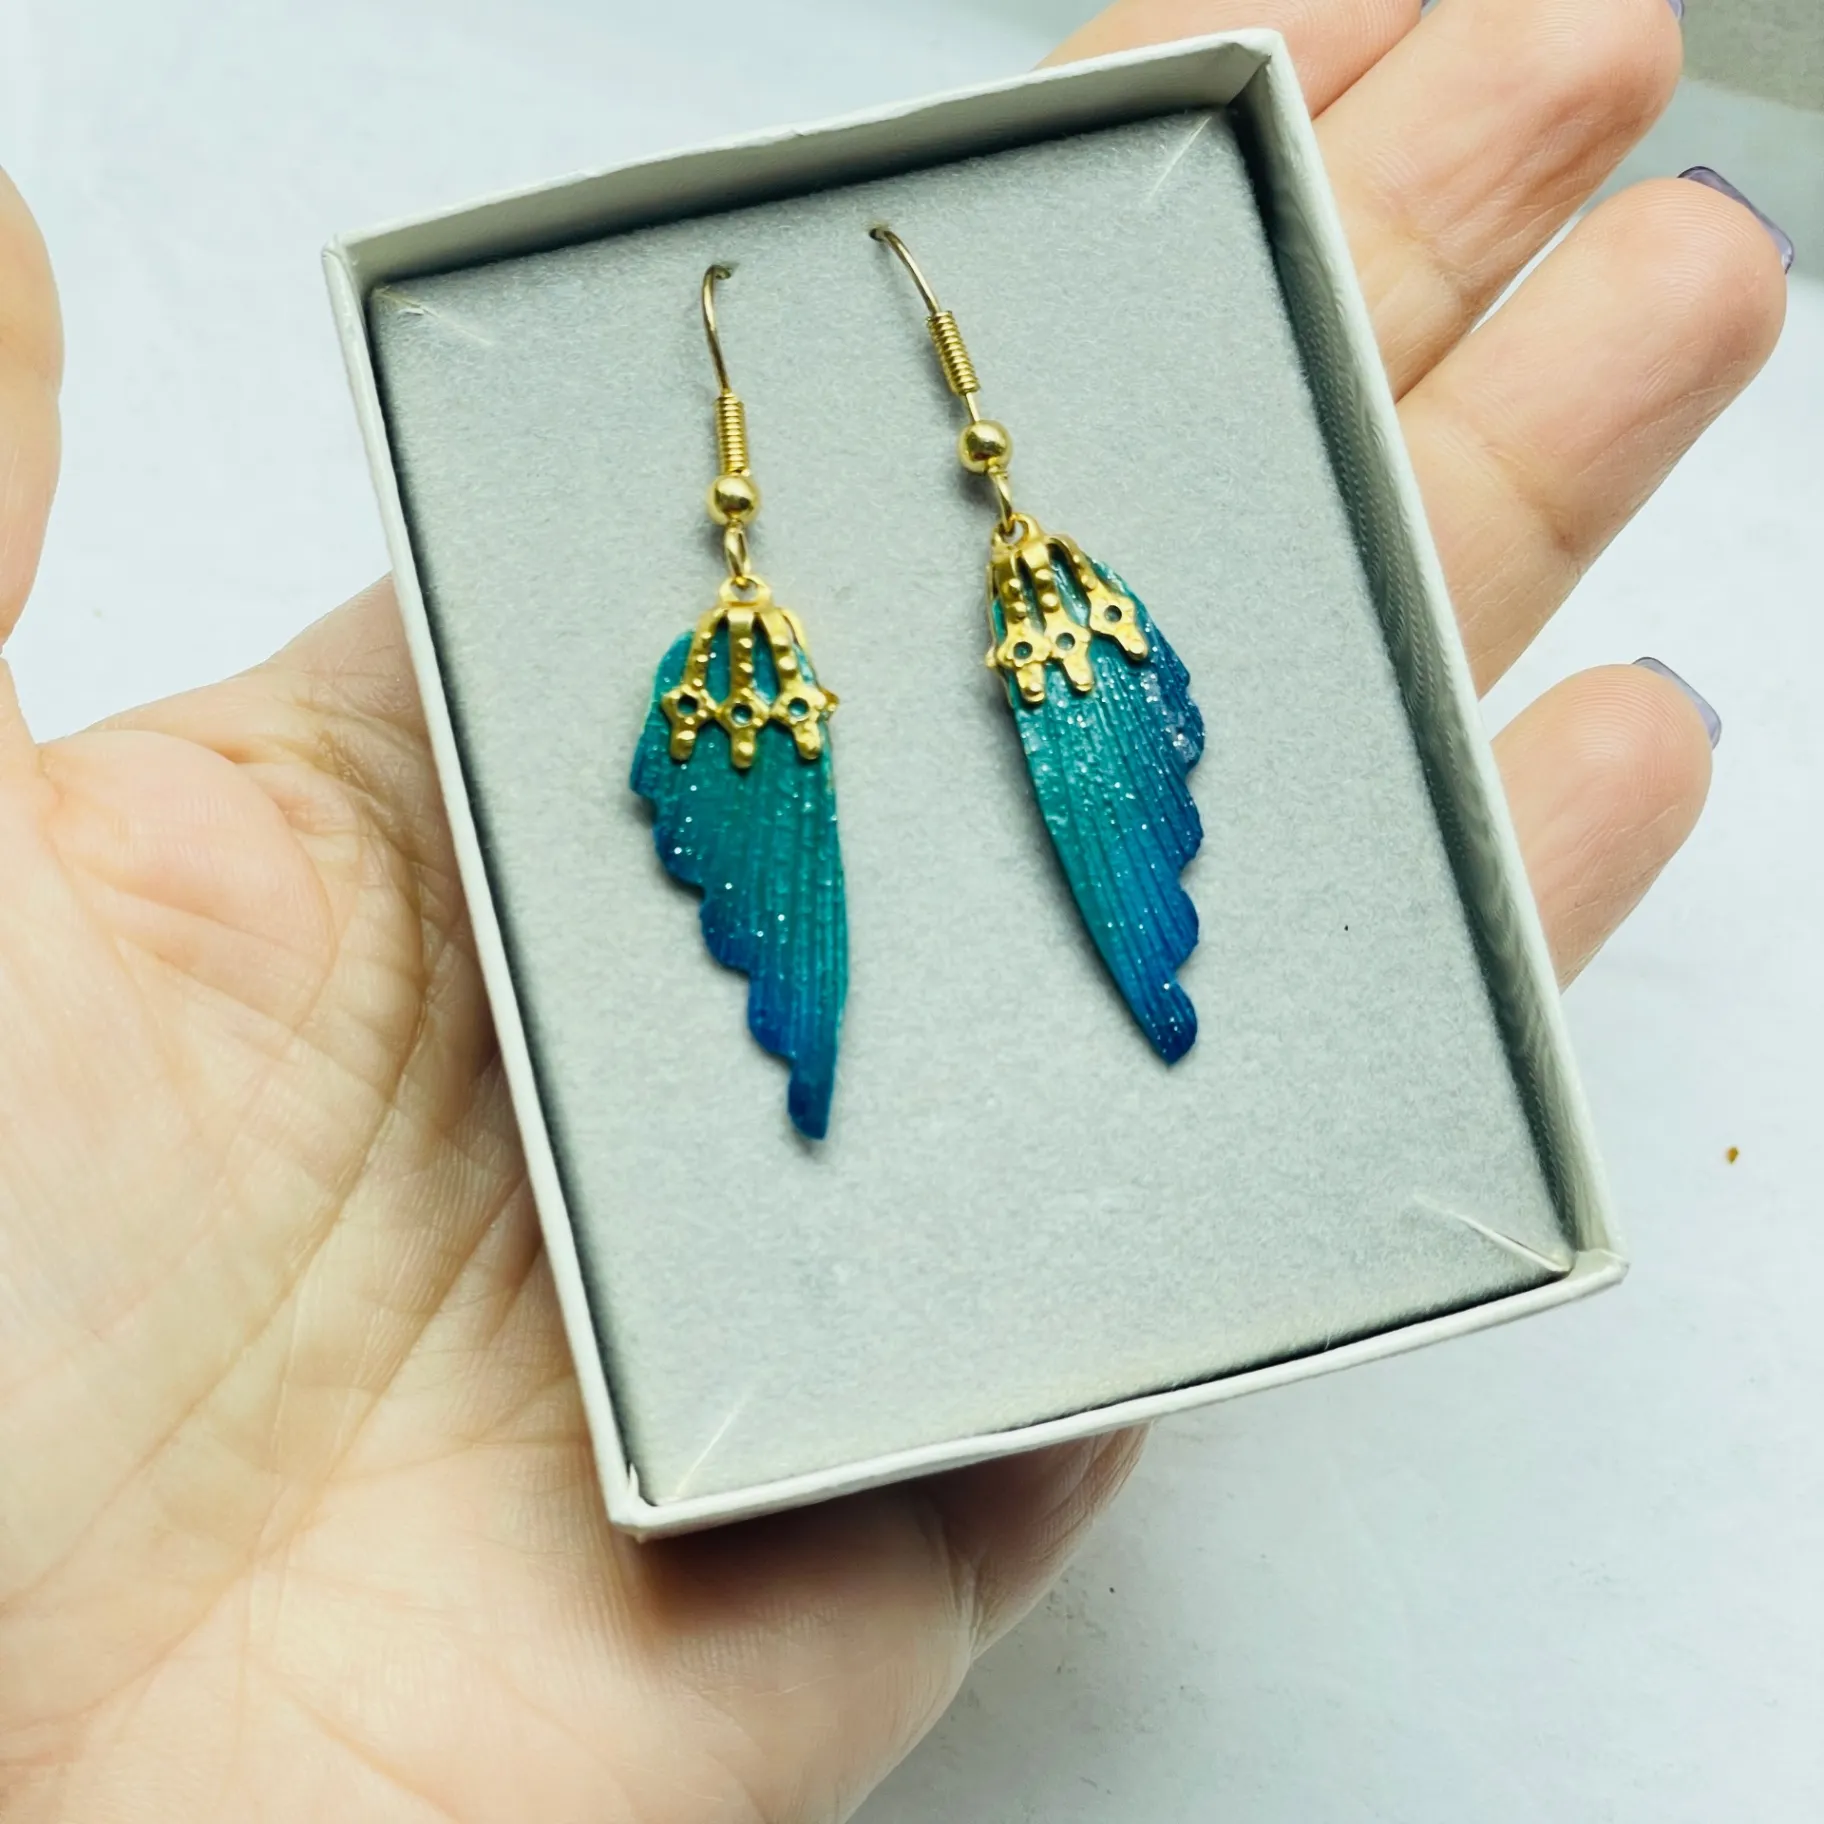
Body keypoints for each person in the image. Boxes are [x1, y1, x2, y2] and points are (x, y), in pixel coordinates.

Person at [0, 0, 1790, 1816]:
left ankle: (1056, 969)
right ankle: (892, 1003)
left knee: (1061, 807)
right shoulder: (798, 652)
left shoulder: (1001, 606)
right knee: (844, 852)